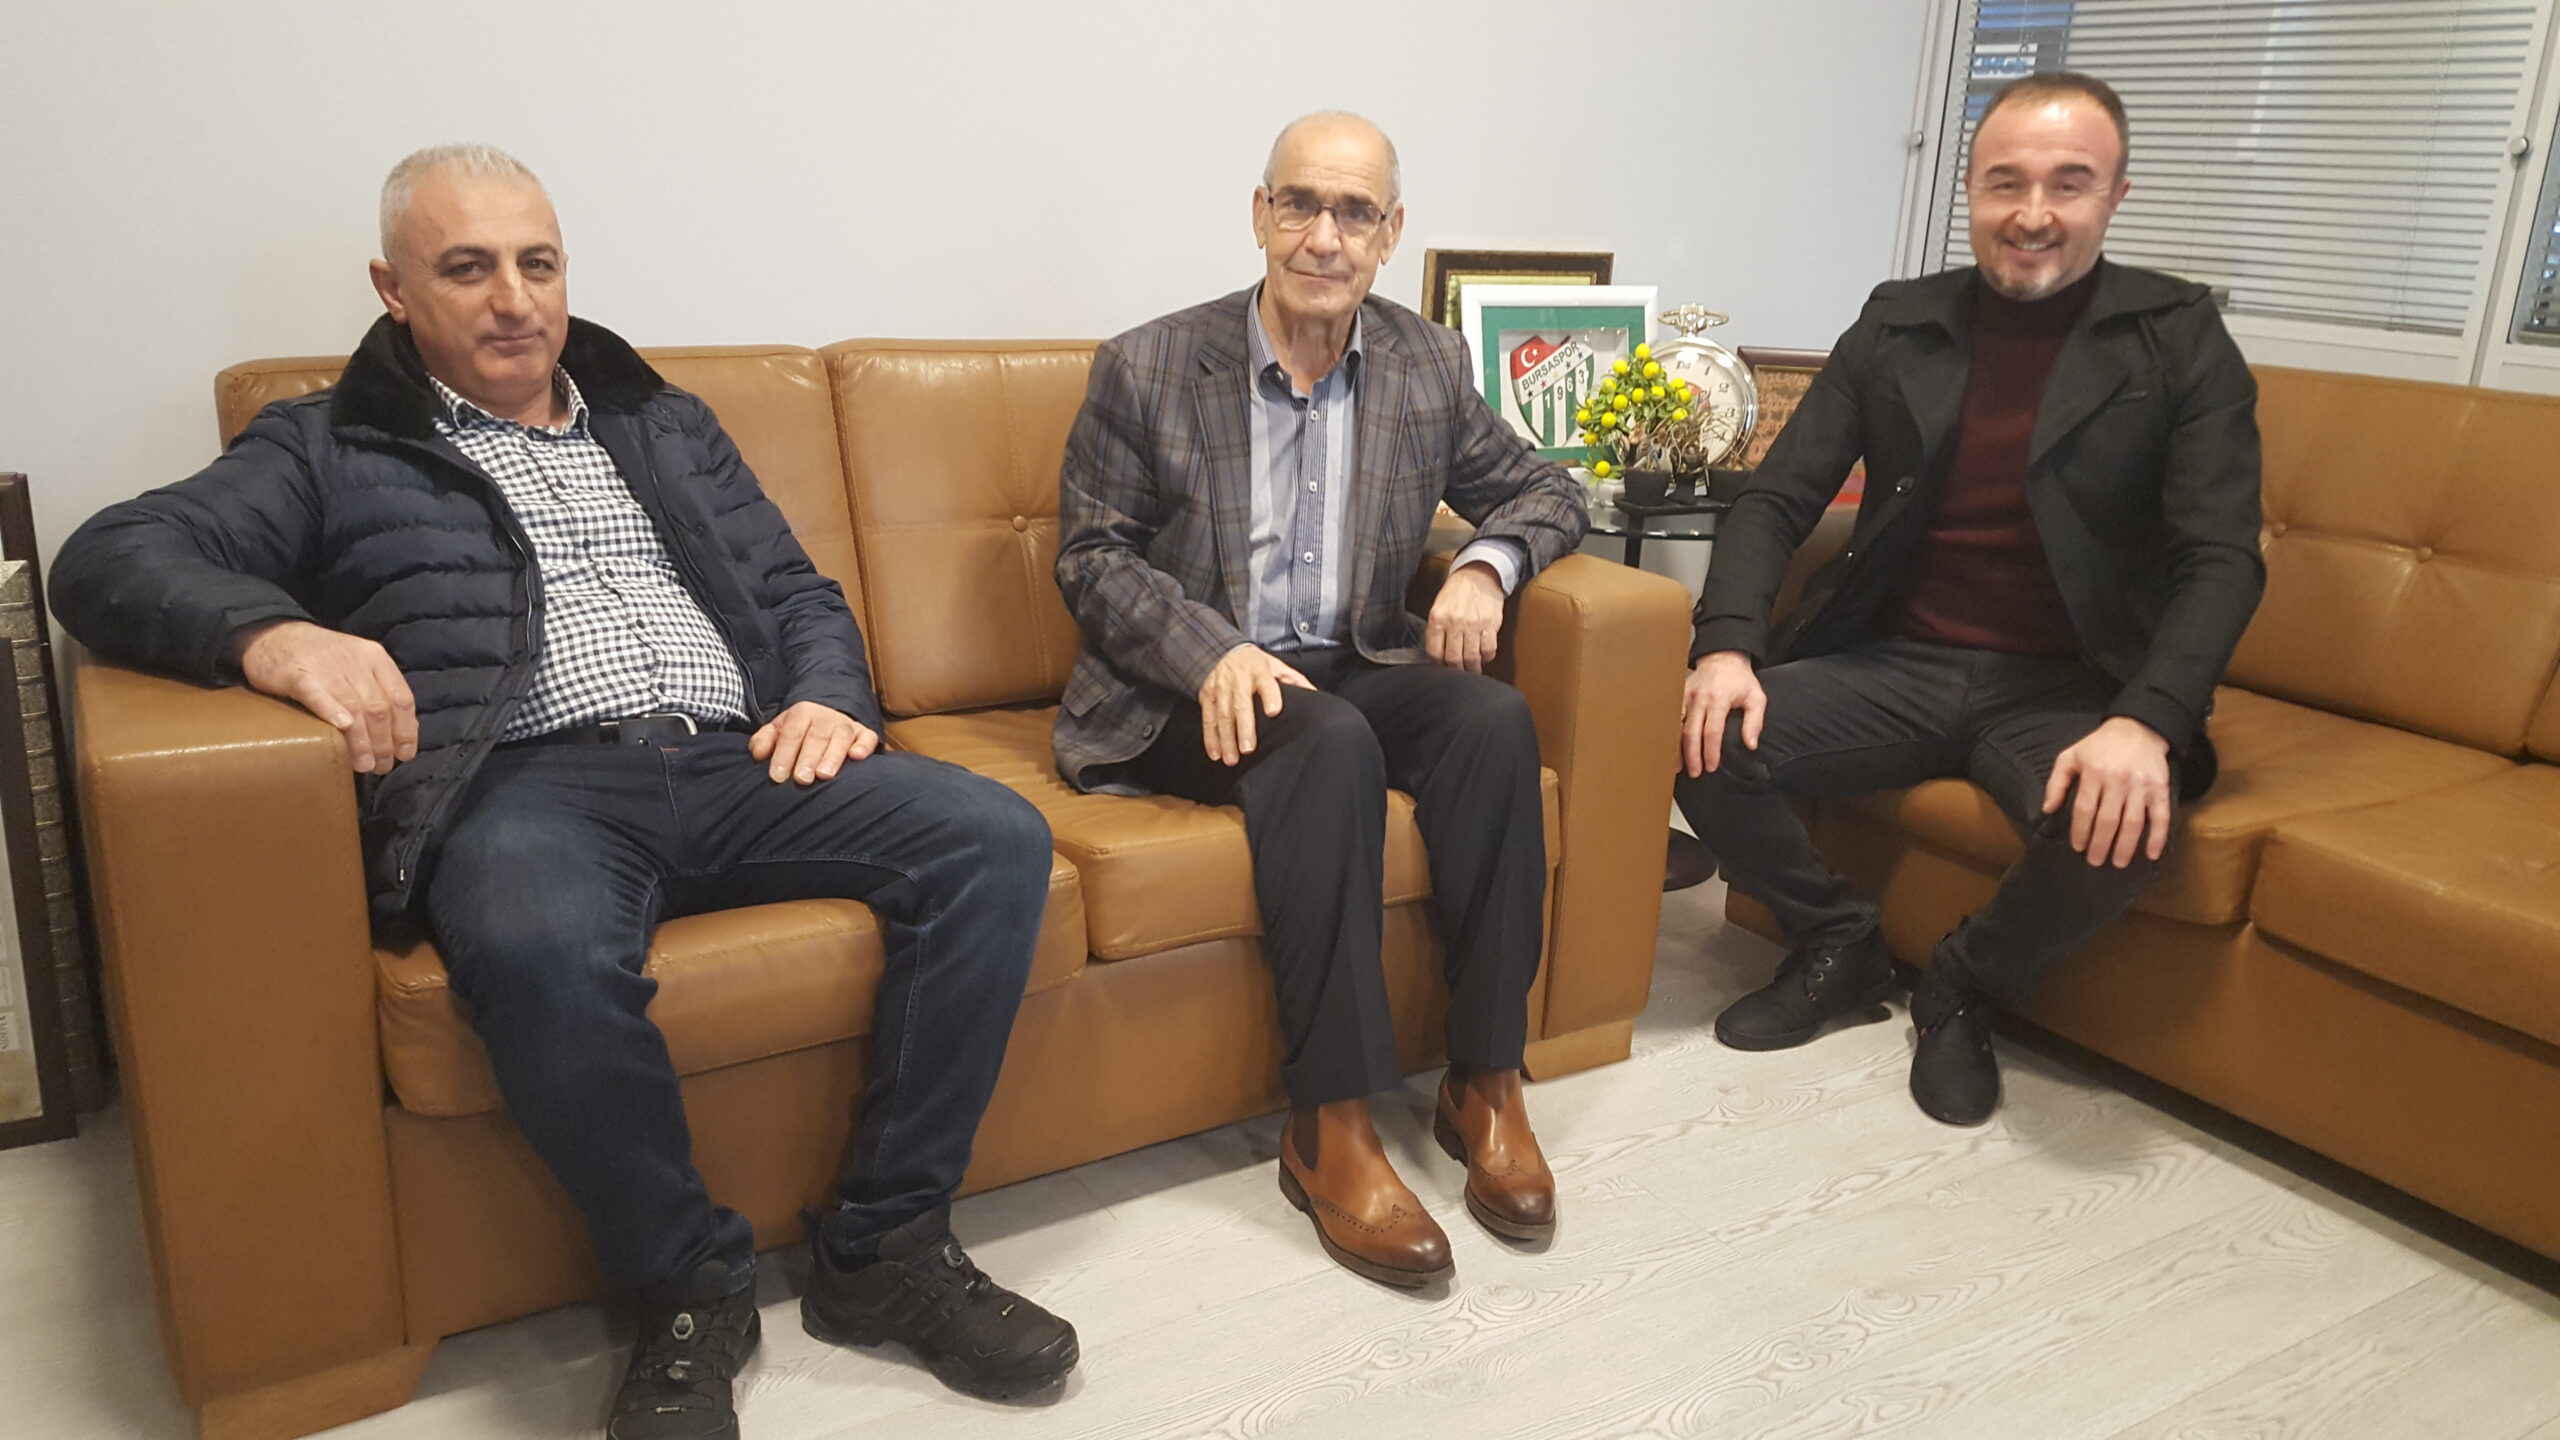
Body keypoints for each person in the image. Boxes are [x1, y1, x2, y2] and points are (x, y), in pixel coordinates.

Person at [50, 145, 1078, 1440]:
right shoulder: (327, 442)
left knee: (992, 836)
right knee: (537, 942)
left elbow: (795, 590)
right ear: (392, 289)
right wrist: (275, 637)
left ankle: (885, 1248)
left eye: (536, 263)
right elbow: (109, 555)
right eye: (466, 268)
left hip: (741, 755)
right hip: (529, 785)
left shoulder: (662, 421)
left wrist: (830, 694)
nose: (513, 300)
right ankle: (688, 1286)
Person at [1053, 112, 1589, 1286]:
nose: (1323, 236)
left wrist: (1487, 566)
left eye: (1353, 213)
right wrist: (1207, 651)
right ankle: (1330, 1122)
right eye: (1299, 203)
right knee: (1329, 741)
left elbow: (1550, 489)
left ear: (1390, 234)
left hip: (1350, 662)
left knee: (1491, 721)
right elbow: (1090, 559)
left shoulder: (1424, 365)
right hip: (1186, 690)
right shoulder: (1149, 365)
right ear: (1260, 214)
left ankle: (1485, 1080)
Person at [1675, 72, 2264, 1126]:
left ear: (2115, 195)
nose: (2033, 213)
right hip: (1894, 660)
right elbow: (1775, 499)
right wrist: (1724, 645)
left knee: (2121, 823)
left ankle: (1961, 985)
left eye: (2068, 183)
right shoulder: (1899, 323)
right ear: (1970, 190)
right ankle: (1841, 944)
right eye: (2005, 183)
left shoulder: (2177, 337)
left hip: (2073, 686)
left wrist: (2146, 721)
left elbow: (2220, 558)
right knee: (1707, 737)